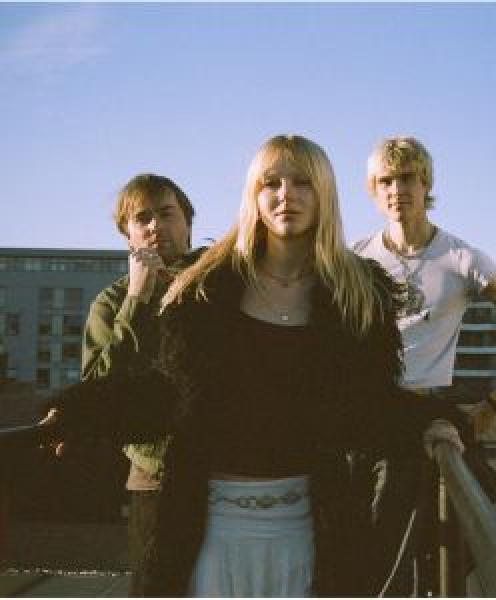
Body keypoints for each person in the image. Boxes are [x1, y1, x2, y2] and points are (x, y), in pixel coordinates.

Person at [42, 135, 466, 598]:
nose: (286, 195)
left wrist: (430, 420)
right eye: (271, 183)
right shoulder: (206, 285)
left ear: (324, 192)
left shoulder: (359, 292)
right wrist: (85, 409)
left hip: (311, 527)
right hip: (209, 528)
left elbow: (367, 406)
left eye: (302, 182)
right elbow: (172, 392)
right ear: (254, 195)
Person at [353, 136, 496, 594]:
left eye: (407, 178)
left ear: (426, 184)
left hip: (428, 411)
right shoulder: (356, 257)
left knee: (451, 530)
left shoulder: (461, 258)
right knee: (370, 539)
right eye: (385, 181)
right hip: (370, 417)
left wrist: (494, 403)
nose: (396, 190)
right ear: (373, 190)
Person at [79, 173, 203, 596]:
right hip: (156, 476)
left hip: (227, 468)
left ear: (188, 222)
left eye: (166, 214)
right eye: (142, 219)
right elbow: (97, 390)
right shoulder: (111, 303)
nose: (154, 226)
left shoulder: (221, 282)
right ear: (126, 234)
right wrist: (136, 298)